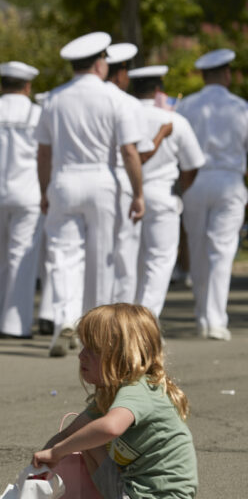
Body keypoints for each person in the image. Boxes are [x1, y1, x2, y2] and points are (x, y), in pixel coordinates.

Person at [33, 303, 196, 499]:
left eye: (91, 350)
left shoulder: (138, 389)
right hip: (132, 493)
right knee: (86, 440)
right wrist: (38, 467)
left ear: (120, 355)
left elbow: (110, 428)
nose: (80, 356)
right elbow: (71, 432)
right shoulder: (112, 391)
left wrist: (57, 453)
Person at [35, 32, 145, 357]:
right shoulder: (114, 98)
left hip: (65, 179)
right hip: (102, 179)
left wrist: (44, 190)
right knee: (102, 258)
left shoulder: (54, 98)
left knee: (62, 255)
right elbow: (128, 152)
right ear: (101, 63)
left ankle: (64, 318)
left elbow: (43, 153)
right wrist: (138, 193)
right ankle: (94, 333)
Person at [175, 48, 248, 341]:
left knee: (198, 247)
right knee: (222, 249)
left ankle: (202, 315)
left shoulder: (187, 106)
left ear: (203, 76)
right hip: (229, 181)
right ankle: (214, 319)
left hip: (194, 179)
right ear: (227, 74)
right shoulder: (240, 107)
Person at [128, 66, 205, 319]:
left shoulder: (124, 113)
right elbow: (192, 165)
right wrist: (181, 192)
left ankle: (125, 323)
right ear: (159, 89)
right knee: (159, 263)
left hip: (126, 195)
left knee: (128, 264)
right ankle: (145, 323)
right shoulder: (174, 120)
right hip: (161, 194)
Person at [0, 62, 42, 339]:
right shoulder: (37, 114)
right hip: (27, 193)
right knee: (21, 258)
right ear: (27, 86)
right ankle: (16, 323)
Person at [104, 44, 169, 305]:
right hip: (118, 185)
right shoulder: (124, 103)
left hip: (74, 184)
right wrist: (138, 194)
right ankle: (119, 329)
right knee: (124, 261)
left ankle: (85, 323)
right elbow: (135, 154)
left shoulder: (63, 97)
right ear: (120, 73)